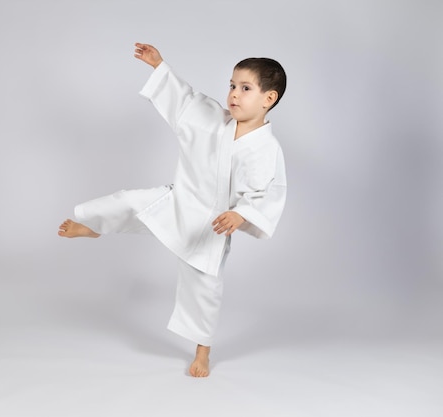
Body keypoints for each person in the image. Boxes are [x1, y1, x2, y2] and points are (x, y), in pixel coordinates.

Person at [58, 43, 287, 377]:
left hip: (213, 224)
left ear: (269, 98)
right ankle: (94, 225)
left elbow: (265, 192)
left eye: (246, 88)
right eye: (232, 86)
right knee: (128, 201)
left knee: (203, 288)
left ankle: (202, 353)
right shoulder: (214, 120)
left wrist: (241, 215)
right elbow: (186, 100)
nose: (234, 94)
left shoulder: (265, 148)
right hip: (181, 200)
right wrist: (159, 67)